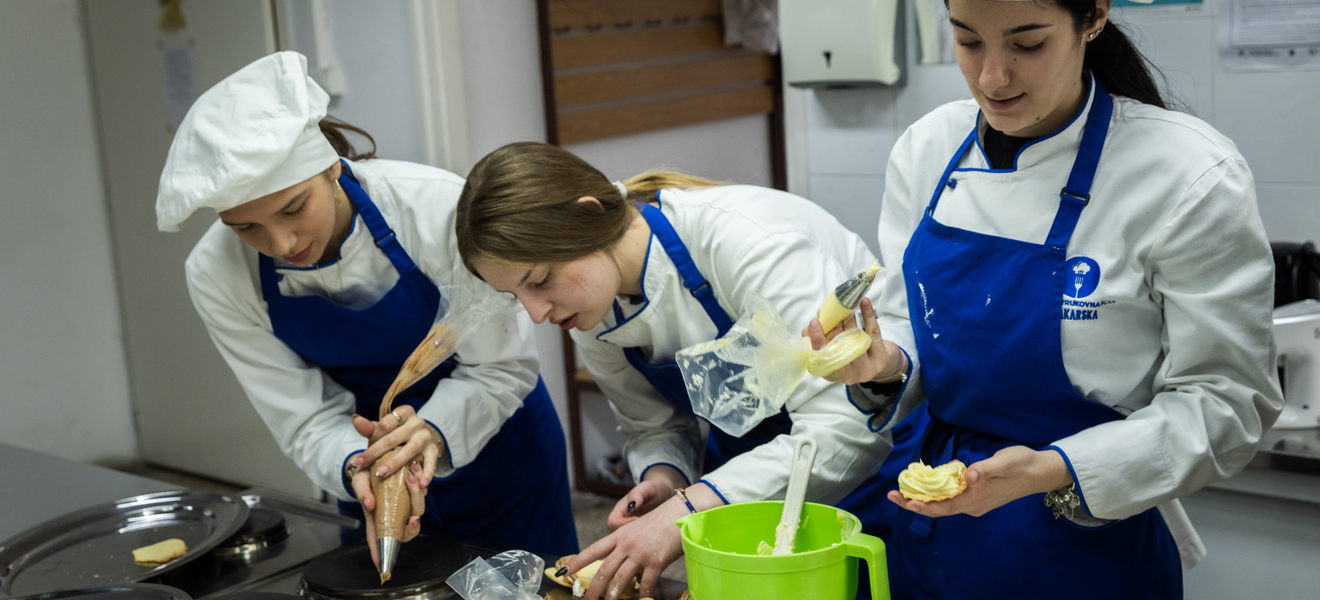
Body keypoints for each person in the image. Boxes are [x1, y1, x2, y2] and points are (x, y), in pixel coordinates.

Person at [813, 0, 1284, 598]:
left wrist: (1053, 469)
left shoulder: (1185, 173)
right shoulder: (928, 147)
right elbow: (913, 316)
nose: (992, 77)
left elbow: (1227, 400)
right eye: (968, 41)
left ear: (1094, 17)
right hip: (933, 541)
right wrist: (887, 365)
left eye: (1027, 44)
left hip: (1087, 547)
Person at [155, 52, 577, 560]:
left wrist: (429, 435)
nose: (282, 243)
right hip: (369, 473)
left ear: (330, 166)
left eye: (294, 208)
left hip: (502, 461)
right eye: (246, 227)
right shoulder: (216, 274)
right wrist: (365, 468)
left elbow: (501, 368)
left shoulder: (437, 210)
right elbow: (305, 420)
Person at [456, 142, 901, 600]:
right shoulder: (592, 313)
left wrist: (689, 507)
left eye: (539, 280)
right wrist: (665, 481)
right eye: (517, 296)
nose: (536, 313)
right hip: (753, 495)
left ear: (588, 216)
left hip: (876, 482)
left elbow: (846, 426)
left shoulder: (746, 241)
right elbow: (653, 425)